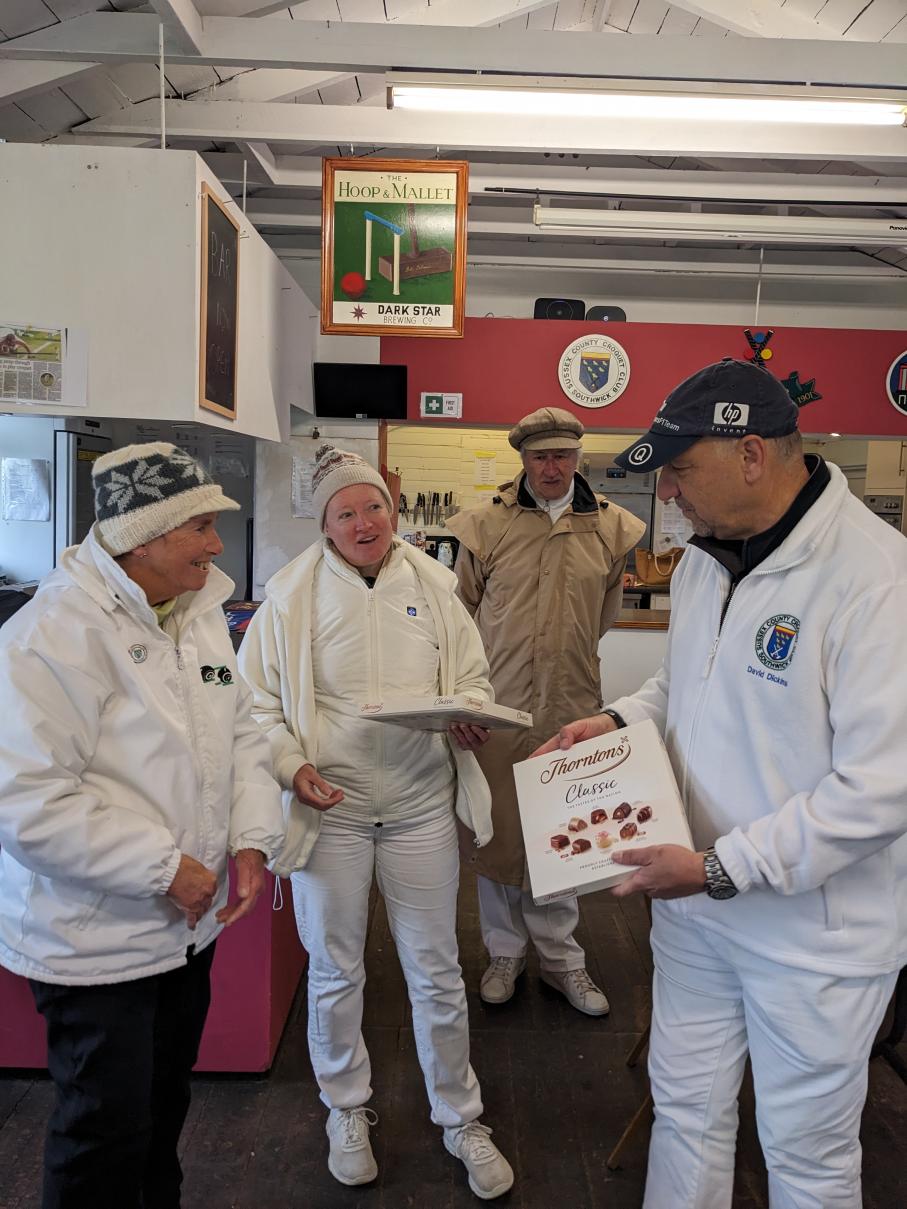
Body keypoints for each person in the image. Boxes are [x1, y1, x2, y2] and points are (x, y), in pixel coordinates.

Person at [536, 359, 907, 1209]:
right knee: (684, 1112)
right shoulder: (704, 559)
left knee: (805, 1157)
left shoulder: (875, 580)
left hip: (809, 939)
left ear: (750, 454)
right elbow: (687, 683)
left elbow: (880, 788)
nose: (666, 491)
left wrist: (719, 865)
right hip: (695, 912)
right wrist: (620, 719)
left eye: (679, 468)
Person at [0, 442, 285, 1209]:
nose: (217, 545)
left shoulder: (197, 615)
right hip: (92, 943)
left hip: (181, 932)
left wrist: (251, 836)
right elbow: (26, 801)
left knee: (161, 1115)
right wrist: (166, 868)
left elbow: (242, 729)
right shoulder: (49, 636)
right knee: (102, 1134)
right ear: (144, 537)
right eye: (201, 526)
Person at [238, 444, 514, 1200]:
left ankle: (460, 1114)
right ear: (324, 524)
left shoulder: (435, 585)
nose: (365, 522)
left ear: (392, 510)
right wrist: (291, 764)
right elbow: (255, 705)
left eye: (374, 507)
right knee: (334, 970)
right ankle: (345, 1106)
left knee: (436, 968)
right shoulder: (290, 597)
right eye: (346, 512)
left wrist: (469, 715)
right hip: (333, 811)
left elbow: (472, 678)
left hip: (421, 807)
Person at [445, 408, 645, 1015]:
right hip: (499, 707)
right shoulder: (486, 526)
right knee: (498, 835)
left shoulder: (612, 529)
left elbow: (603, 616)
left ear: (578, 458)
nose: (551, 467)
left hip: (571, 707)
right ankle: (504, 953)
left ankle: (563, 961)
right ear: (523, 460)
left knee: (563, 835)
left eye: (562, 455)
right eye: (540, 457)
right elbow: (461, 618)